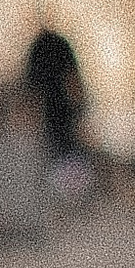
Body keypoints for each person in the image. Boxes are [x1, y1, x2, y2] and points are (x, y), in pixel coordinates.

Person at [21, 13, 86, 169]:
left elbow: (32, 81)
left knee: (61, 146)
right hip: (58, 104)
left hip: (57, 104)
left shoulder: (47, 45)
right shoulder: (53, 44)